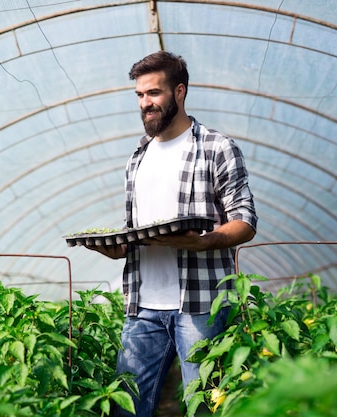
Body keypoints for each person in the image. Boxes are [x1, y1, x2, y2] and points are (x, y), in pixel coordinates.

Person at [86, 50, 257, 417]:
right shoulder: (138, 157)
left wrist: (202, 242)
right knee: (125, 409)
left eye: (154, 93)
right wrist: (114, 248)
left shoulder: (216, 148)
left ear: (179, 92)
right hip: (142, 307)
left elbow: (244, 221)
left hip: (199, 305)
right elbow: (137, 234)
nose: (145, 103)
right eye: (140, 95)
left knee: (204, 406)